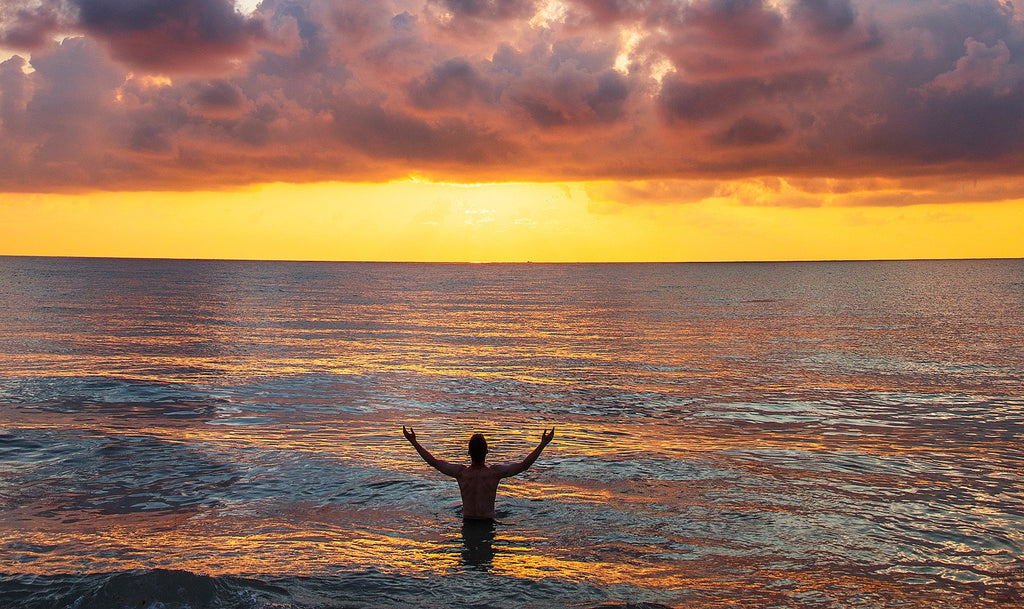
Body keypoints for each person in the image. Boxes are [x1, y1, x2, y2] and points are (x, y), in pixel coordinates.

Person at [403, 426, 555, 520]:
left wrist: (414, 442)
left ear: (468, 453)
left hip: (467, 522)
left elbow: (433, 462)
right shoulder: (494, 474)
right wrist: (543, 444)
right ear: (487, 452)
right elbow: (524, 465)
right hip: (488, 523)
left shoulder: (461, 474)